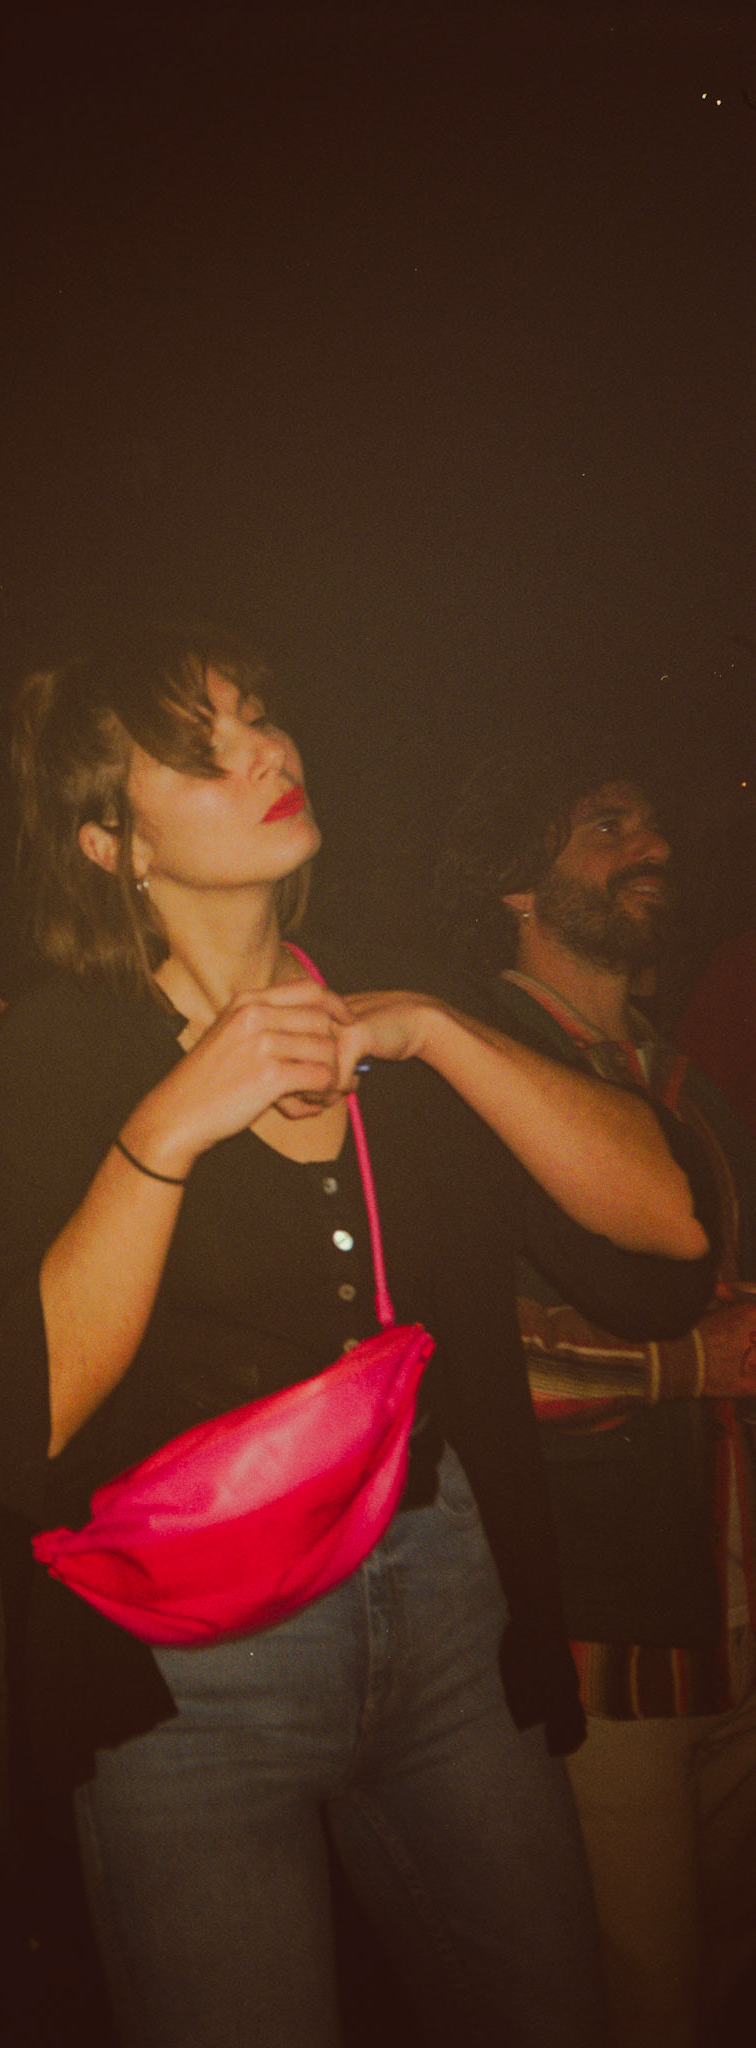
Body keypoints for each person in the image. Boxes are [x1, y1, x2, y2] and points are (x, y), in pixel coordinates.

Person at [0, 630, 718, 2048]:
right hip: (185, 1682)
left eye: (259, 716)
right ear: (114, 845)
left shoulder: (396, 998)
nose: (265, 749)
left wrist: (434, 1030)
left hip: (450, 1617)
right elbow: (18, 1426)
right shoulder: (59, 1049)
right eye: (202, 750)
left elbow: (670, 1243)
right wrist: (172, 1122)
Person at [435, 751, 756, 2048]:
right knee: (640, 2000)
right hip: (598, 1626)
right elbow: (453, 1363)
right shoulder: (469, 1076)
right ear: (518, 883)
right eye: (607, 827)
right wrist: (690, 1364)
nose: (652, 846)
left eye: (654, 825)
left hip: (728, 1603)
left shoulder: (684, 1082)